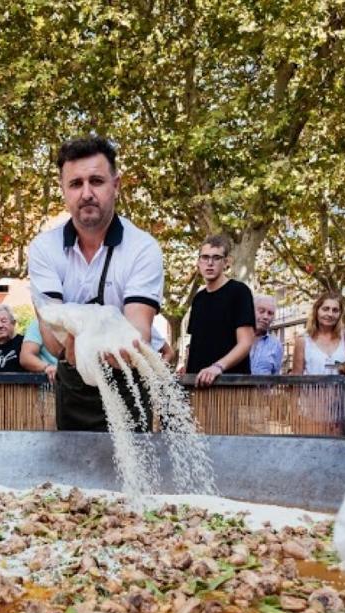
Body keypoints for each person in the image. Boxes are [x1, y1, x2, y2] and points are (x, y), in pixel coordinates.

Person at [29, 135, 164, 431]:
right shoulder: (43, 249)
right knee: (73, 475)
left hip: (127, 382)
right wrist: (81, 349)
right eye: (76, 184)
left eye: (97, 181)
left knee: (133, 474)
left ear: (116, 185)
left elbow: (137, 330)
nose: (87, 193)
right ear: (63, 190)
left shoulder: (142, 247)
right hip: (73, 388)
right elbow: (52, 336)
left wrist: (116, 349)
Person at [178, 235, 255, 387]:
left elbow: (246, 343)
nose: (210, 263)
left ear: (226, 262)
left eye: (216, 258)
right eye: (205, 257)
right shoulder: (198, 299)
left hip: (231, 386)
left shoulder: (239, 292)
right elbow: (193, 347)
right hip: (198, 386)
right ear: (198, 262)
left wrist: (217, 367)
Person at [291, 293, 345, 375]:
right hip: (309, 388)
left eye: (335, 310)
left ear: (340, 314)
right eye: (325, 309)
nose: (330, 314)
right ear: (316, 311)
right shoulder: (302, 340)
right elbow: (296, 379)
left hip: (341, 388)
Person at [250, 295, 284, 375]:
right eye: (261, 311)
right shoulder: (235, 337)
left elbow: (274, 379)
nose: (266, 317)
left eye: (270, 313)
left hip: (262, 388)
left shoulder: (276, 345)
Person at [20, 318, 59, 382]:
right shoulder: (37, 324)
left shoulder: (78, 322)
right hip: (49, 383)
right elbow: (25, 357)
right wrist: (47, 367)